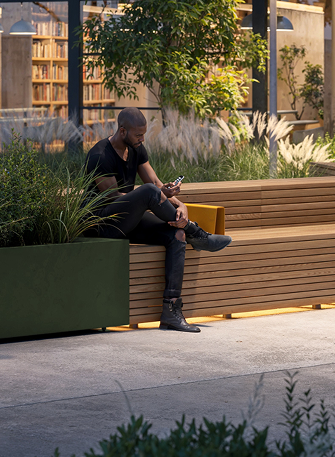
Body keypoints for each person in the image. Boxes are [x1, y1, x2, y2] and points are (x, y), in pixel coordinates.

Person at [84, 108, 231, 333]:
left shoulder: (135, 148)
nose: (142, 139)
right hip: (105, 223)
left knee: (176, 234)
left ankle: (171, 312)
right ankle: (198, 234)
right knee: (148, 192)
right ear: (122, 131)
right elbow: (113, 198)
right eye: (138, 135)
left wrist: (179, 204)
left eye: (143, 135)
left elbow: (155, 182)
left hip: (129, 220)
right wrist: (155, 195)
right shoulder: (100, 156)